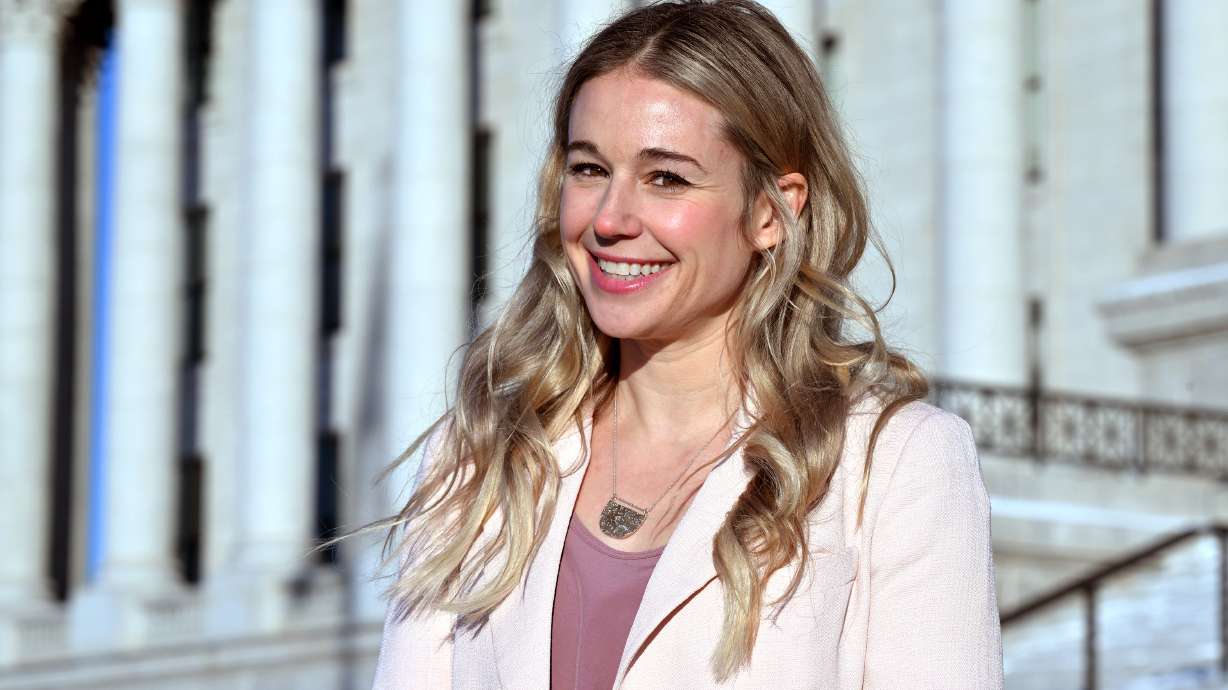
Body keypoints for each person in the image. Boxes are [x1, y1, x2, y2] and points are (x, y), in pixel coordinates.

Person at [369, 1, 1003, 687]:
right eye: (589, 170)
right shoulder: (481, 457)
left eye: (665, 177)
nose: (610, 219)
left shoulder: (895, 465)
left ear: (772, 210)